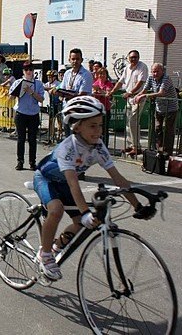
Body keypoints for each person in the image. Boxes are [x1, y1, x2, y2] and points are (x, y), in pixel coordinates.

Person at [33, 96, 154, 280]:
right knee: (56, 210)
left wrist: (137, 206)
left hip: (63, 183)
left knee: (80, 223)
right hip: (45, 179)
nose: (98, 131)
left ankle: (56, 245)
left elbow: (118, 178)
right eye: (92, 126)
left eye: (100, 125)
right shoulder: (69, 148)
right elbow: (74, 184)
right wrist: (85, 212)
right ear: (76, 126)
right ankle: (45, 254)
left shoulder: (98, 146)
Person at [106, 50, 148, 157]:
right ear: (128, 58)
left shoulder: (142, 67)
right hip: (129, 98)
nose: (134, 59)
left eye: (136, 57)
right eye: (132, 57)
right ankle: (131, 144)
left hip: (137, 97)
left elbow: (140, 82)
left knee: (133, 121)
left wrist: (130, 93)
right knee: (128, 122)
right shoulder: (127, 68)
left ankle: (136, 147)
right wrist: (112, 91)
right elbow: (120, 82)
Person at [134, 63, 179, 156]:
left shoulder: (166, 78)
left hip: (170, 108)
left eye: (157, 71)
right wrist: (137, 95)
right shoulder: (150, 78)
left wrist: (145, 96)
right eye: (153, 71)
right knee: (157, 128)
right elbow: (145, 89)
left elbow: (161, 93)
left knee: (167, 130)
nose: (155, 74)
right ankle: (159, 150)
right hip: (159, 108)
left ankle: (167, 153)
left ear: (162, 71)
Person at [9, 61, 44, 170]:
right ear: (23, 71)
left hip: (33, 113)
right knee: (21, 139)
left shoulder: (38, 84)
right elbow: (10, 97)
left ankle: (32, 162)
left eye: (31, 70)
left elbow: (41, 99)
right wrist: (17, 92)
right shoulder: (18, 82)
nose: (29, 72)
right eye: (26, 70)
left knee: (32, 139)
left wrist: (31, 92)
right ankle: (20, 161)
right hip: (21, 113)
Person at [53, 48, 93, 139]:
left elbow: (83, 94)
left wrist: (67, 95)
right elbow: (62, 88)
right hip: (67, 109)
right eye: (73, 59)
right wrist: (56, 91)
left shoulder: (86, 75)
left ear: (81, 60)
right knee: (68, 138)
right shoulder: (67, 73)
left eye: (77, 59)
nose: (75, 61)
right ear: (69, 60)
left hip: (80, 111)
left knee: (78, 139)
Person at [92, 68, 114, 148]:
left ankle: (105, 146)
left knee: (104, 129)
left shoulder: (108, 83)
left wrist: (100, 91)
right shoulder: (96, 83)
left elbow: (108, 93)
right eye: (100, 74)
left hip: (105, 109)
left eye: (103, 74)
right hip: (96, 109)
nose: (101, 76)